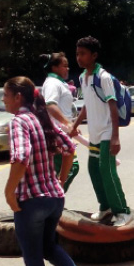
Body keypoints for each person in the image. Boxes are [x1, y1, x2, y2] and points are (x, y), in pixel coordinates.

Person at [2, 77, 97, 266]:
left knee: (32, 253)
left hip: (32, 201)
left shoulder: (20, 122)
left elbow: (21, 157)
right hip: (54, 198)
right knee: (48, 246)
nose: (3, 100)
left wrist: (9, 192)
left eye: (6, 95)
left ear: (18, 97)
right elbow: (70, 148)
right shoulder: (41, 120)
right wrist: (60, 180)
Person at [70, 36, 132, 227]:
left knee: (107, 170)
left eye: (83, 54)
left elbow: (112, 106)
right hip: (94, 133)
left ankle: (122, 211)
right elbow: (87, 105)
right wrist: (75, 124)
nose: (79, 57)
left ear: (94, 55)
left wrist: (115, 137)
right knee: (94, 170)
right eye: (77, 53)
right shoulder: (82, 77)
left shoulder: (103, 77)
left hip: (107, 133)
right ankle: (105, 207)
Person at [41, 52, 79, 191]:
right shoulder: (52, 83)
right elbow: (50, 105)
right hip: (56, 133)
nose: (67, 69)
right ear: (54, 67)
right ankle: (54, 199)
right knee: (68, 168)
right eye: (64, 66)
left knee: (64, 169)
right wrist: (67, 124)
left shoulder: (58, 83)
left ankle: (54, 200)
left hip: (62, 133)